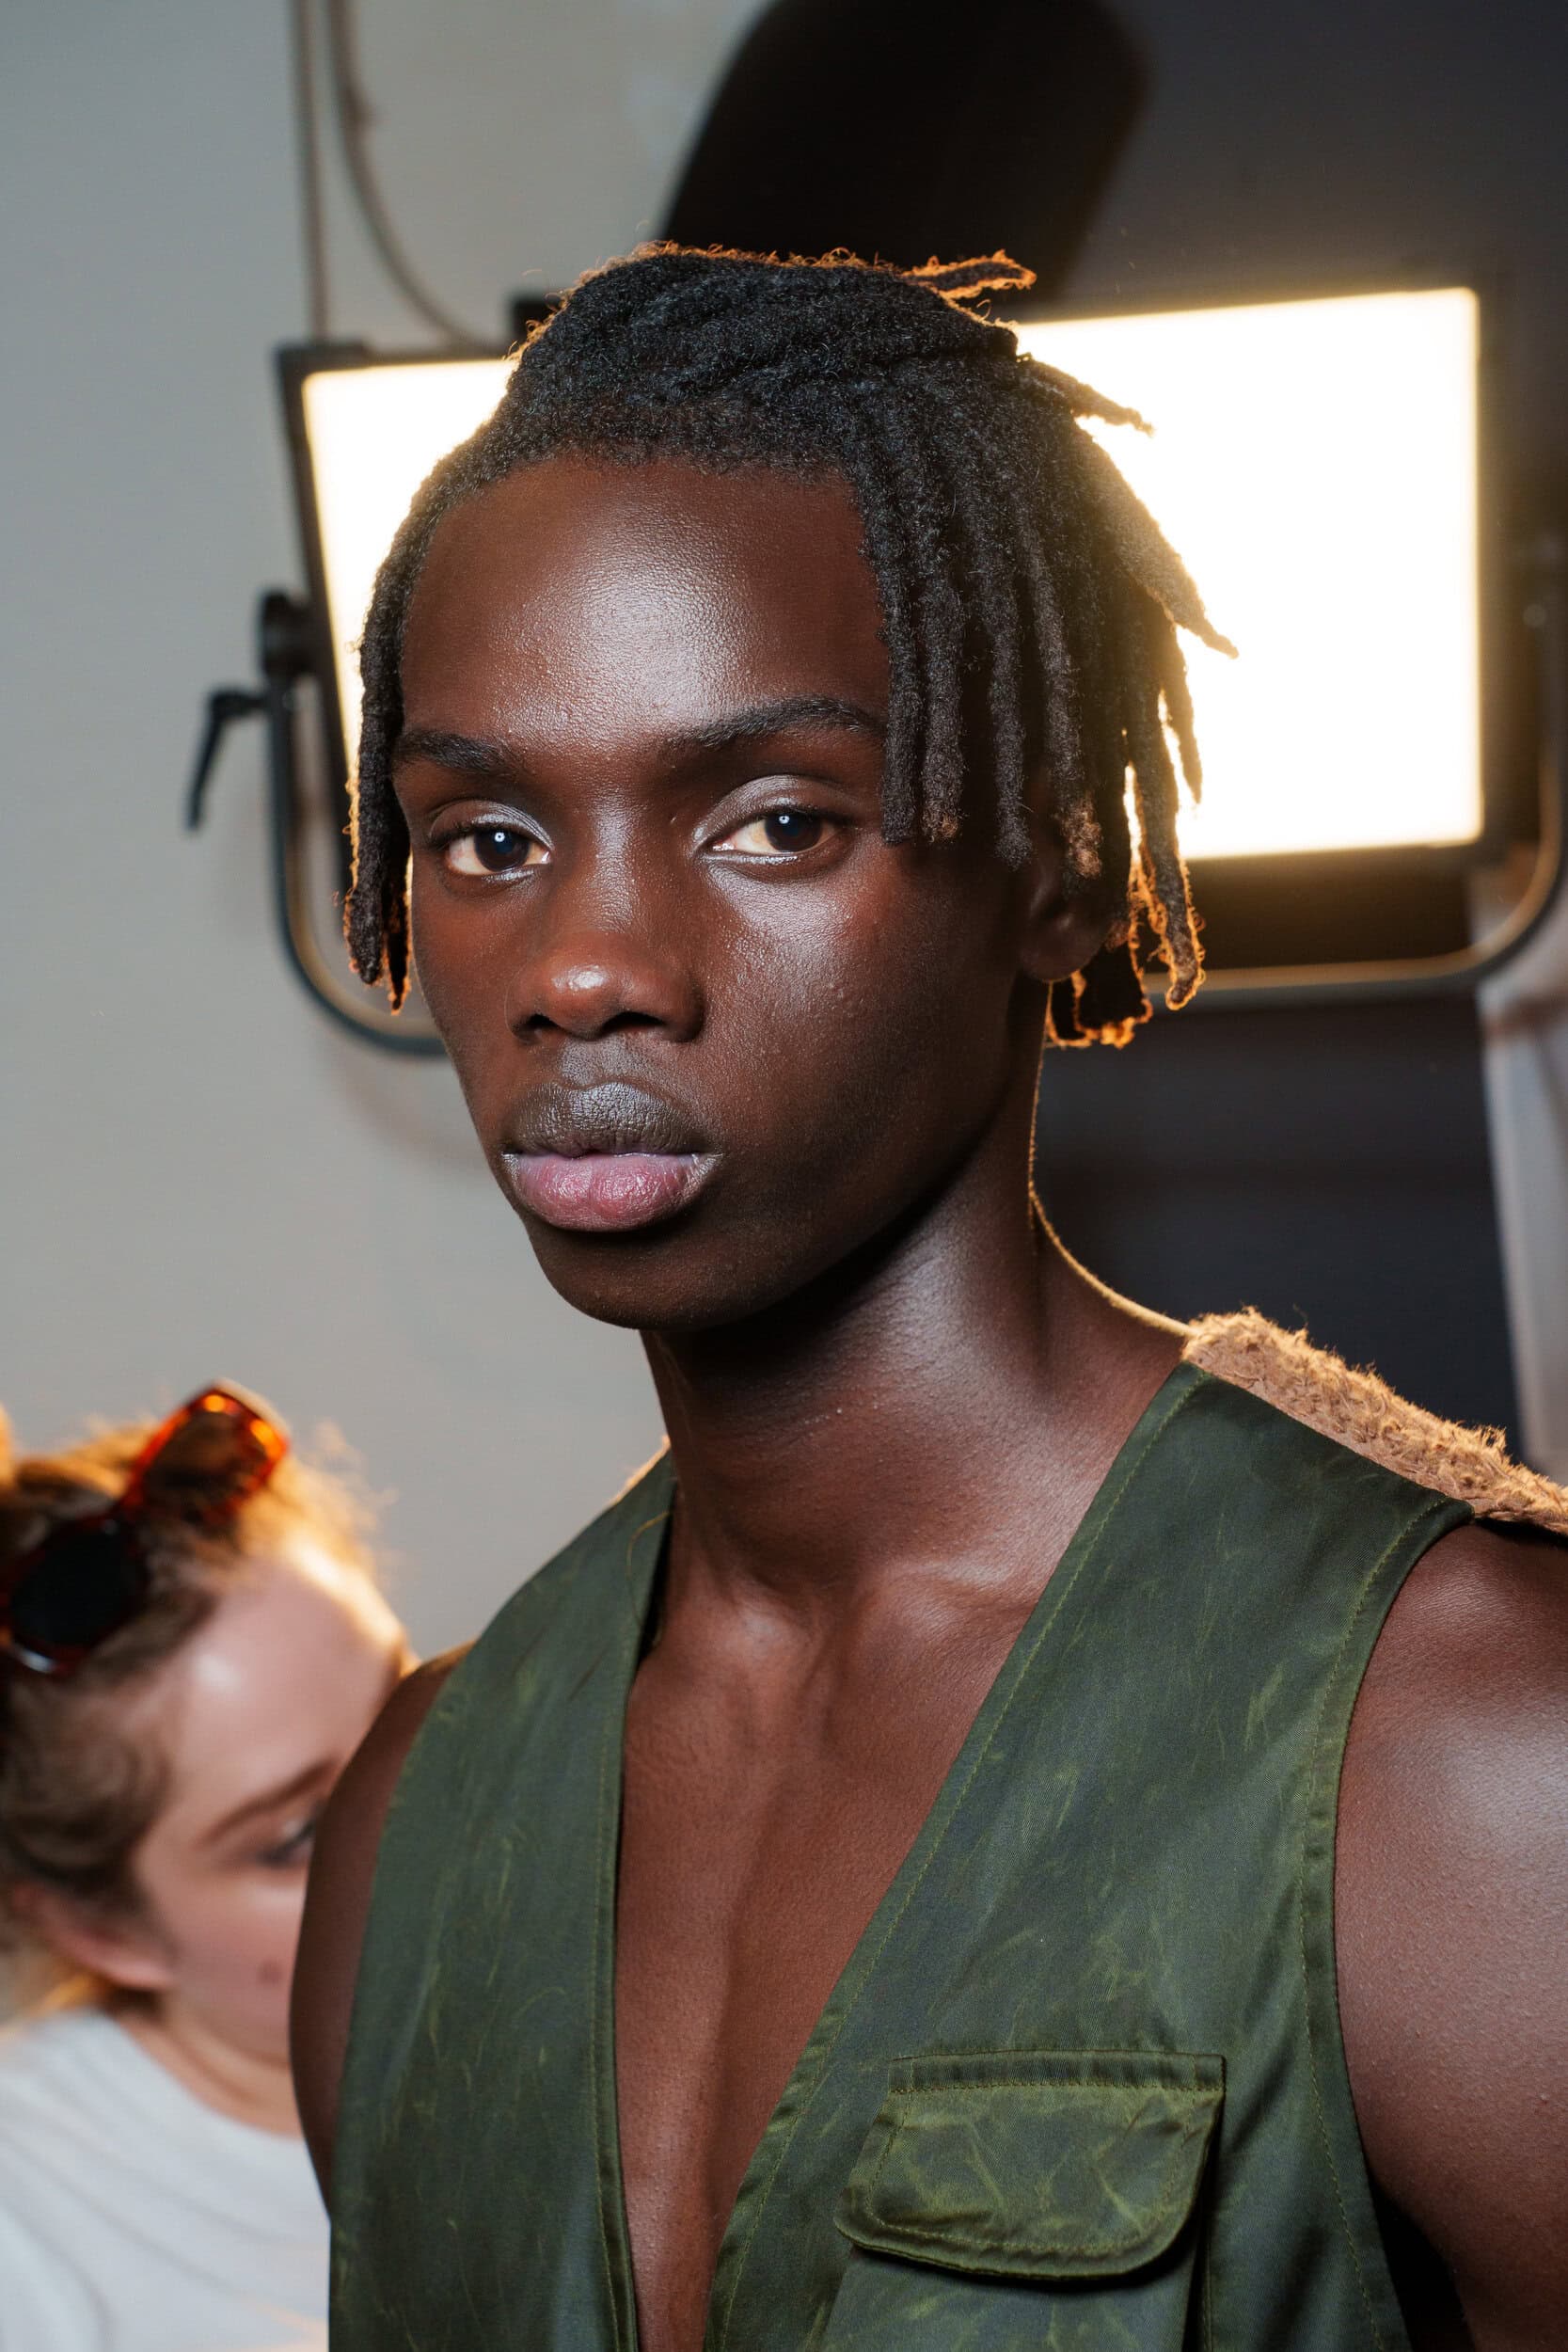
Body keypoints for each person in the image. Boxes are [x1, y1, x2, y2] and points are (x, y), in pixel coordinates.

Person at [291, 246, 1568, 2352]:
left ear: (1055, 860)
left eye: (776, 821)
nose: (586, 966)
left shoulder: (1466, 1757)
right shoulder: (416, 1826)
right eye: (489, 836)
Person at [0, 1384, 409, 2352]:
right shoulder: (28, 2244)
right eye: (299, 1832)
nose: (424, 1811)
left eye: (410, 1712)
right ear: (102, 1931)